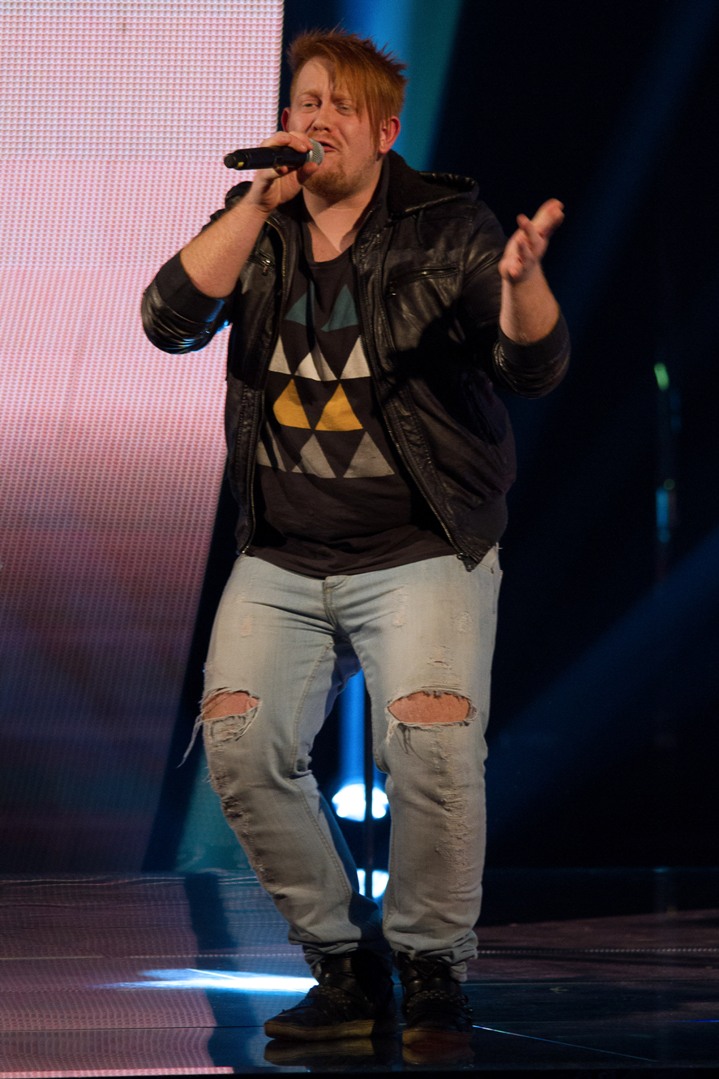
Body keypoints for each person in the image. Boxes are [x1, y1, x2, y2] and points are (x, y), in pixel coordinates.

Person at [142, 28, 569, 1047]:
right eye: (304, 102)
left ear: (384, 132)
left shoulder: (446, 227)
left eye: (340, 105)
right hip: (283, 552)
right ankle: (343, 964)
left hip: (421, 543)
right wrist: (256, 204)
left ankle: (432, 968)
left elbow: (532, 367)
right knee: (241, 744)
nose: (316, 119)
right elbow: (168, 320)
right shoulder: (259, 223)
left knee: (429, 741)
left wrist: (520, 283)